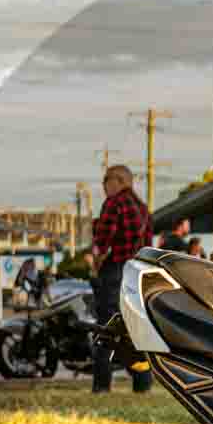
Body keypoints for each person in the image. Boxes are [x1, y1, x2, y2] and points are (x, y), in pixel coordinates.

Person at [90, 164, 153, 394]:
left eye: (106, 180)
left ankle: (102, 384)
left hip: (115, 272)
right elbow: (148, 246)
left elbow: (102, 242)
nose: (104, 186)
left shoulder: (114, 203)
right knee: (135, 330)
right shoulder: (143, 208)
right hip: (137, 273)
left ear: (119, 181)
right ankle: (142, 383)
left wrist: (96, 262)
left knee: (107, 327)